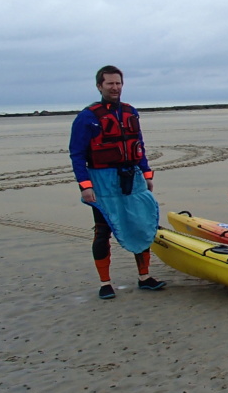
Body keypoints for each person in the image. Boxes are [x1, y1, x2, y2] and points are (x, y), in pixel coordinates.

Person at [69, 66, 165, 299]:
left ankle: (144, 278)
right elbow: (77, 154)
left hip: (132, 178)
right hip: (103, 182)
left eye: (118, 83)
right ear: (99, 86)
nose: (115, 87)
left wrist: (147, 174)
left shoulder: (130, 112)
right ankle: (105, 283)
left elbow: (138, 145)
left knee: (142, 225)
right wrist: (85, 186)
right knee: (103, 232)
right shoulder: (87, 117)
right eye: (110, 84)